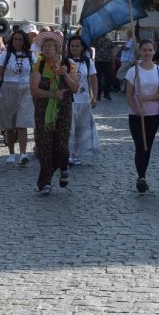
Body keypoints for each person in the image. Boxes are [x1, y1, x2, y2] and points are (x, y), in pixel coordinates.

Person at [30, 32, 78, 195]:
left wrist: (65, 74)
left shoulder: (69, 64)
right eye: (45, 46)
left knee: (61, 144)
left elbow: (75, 88)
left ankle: (63, 166)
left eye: (51, 45)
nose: (48, 48)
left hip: (63, 109)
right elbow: (34, 90)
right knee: (44, 145)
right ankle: (45, 182)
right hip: (43, 110)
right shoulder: (39, 65)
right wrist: (51, 94)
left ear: (58, 48)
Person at [124, 38, 159, 193]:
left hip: (153, 114)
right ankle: (141, 177)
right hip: (136, 115)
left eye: (150, 50)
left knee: (147, 146)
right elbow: (129, 94)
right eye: (144, 50)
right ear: (140, 51)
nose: (147, 53)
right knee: (139, 145)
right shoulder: (133, 71)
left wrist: (148, 98)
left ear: (154, 51)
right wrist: (136, 108)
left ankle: (142, 175)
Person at [0, 29, 34, 165]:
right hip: (8, 89)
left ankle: (23, 153)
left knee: (22, 123)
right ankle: (11, 153)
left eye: (20, 39)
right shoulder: (4, 56)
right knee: (9, 124)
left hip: (25, 90)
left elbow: (34, 74)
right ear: (12, 41)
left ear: (24, 42)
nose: (18, 42)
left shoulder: (30, 56)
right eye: (15, 39)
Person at [66, 35, 99, 166]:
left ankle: (77, 154)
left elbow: (93, 79)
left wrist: (94, 96)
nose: (74, 48)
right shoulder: (65, 61)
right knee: (69, 128)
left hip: (84, 99)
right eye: (72, 46)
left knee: (81, 128)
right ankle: (68, 153)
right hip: (70, 99)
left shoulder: (87, 61)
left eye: (77, 46)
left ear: (82, 47)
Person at [93, 33, 115, 100]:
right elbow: (112, 51)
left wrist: (113, 61)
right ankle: (101, 94)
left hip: (105, 60)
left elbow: (112, 50)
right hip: (102, 60)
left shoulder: (99, 38)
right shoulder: (107, 38)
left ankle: (103, 94)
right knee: (101, 78)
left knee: (105, 78)